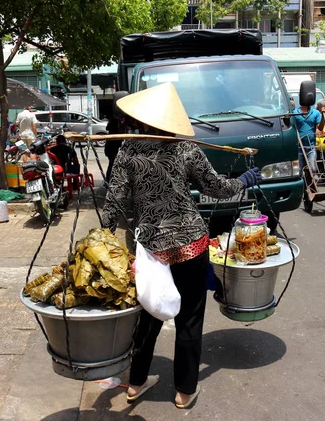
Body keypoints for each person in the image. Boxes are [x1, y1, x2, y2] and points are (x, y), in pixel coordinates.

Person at [102, 83, 261, 409]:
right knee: (189, 318)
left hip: (148, 249)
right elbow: (217, 188)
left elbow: (113, 203)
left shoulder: (128, 151)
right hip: (190, 244)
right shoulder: (187, 150)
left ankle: (135, 383)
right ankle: (185, 390)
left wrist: (103, 241)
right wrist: (244, 180)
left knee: (148, 314)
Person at [294, 100, 324, 174]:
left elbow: (320, 128)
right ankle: (303, 183)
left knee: (313, 168)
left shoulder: (315, 113)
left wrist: (323, 116)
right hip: (298, 146)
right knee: (299, 170)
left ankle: (310, 179)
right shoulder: (294, 113)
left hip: (311, 146)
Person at [104, 116, 124, 182]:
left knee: (112, 163)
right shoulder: (115, 130)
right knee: (112, 163)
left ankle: (109, 179)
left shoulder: (112, 129)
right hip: (111, 149)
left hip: (110, 148)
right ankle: (109, 179)